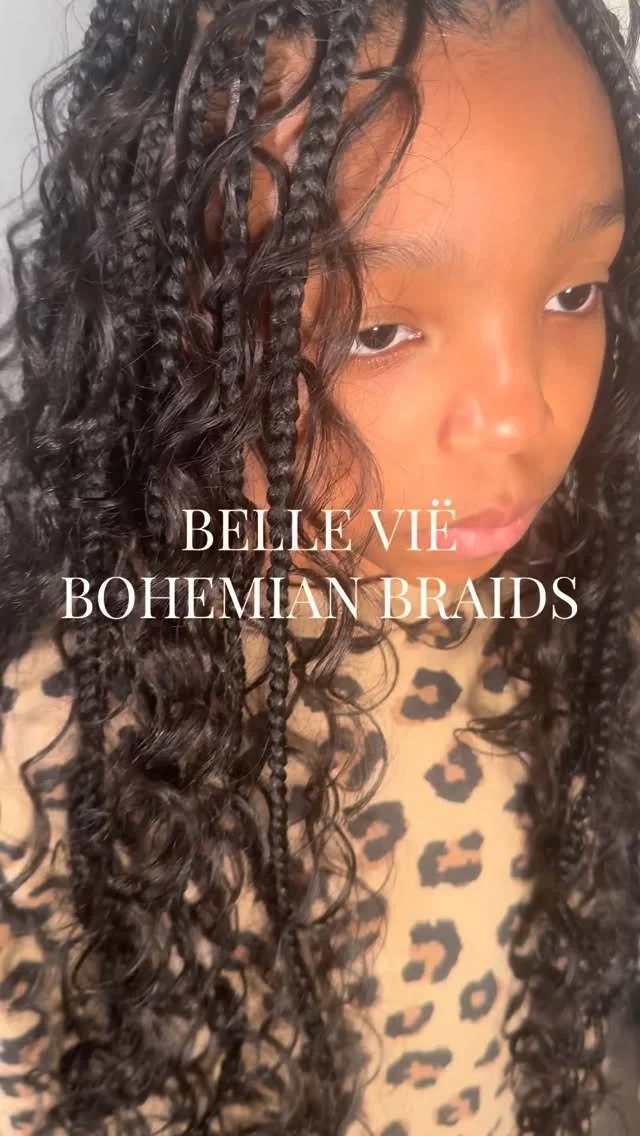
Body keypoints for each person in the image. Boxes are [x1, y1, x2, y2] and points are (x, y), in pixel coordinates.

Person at [1, 0, 640, 1132]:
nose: (524, 416)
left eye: (572, 294)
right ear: (170, 323)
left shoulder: (574, 614)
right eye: (378, 330)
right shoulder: (48, 736)